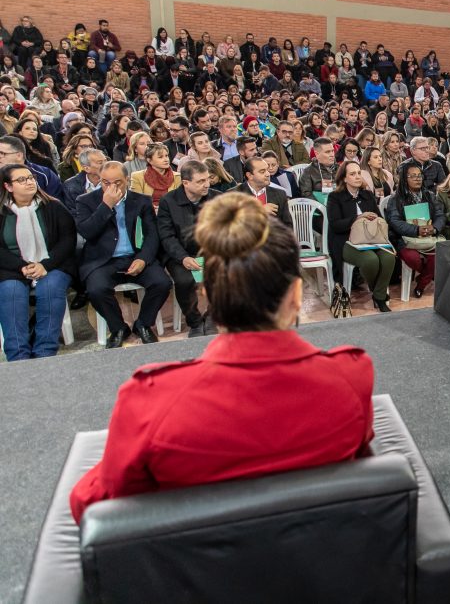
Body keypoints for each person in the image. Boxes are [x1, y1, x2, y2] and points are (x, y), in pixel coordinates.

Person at [69, 191, 375, 523]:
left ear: (206, 294)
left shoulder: (150, 400)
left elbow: (93, 504)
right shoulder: (351, 376)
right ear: (296, 295)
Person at [76, 161, 172, 348]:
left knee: (161, 283)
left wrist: (143, 258)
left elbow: (152, 235)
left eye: (117, 182)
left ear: (127, 180)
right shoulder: (85, 201)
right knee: (96, 290)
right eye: (105, 182)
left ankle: (143, 323)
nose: (111, 187)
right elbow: (87, 232)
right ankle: (118, 327)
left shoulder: (142, 200)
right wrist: (106, 206)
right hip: (103, 260)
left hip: (135, 256)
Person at [0, 163, 76, 360]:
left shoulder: (54, 206)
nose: (29, 182)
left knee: (50, 289)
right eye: (21, 180)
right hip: (12, 268)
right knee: (11, 292)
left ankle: (44, 351)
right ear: (8, 186)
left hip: (53, 265)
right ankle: (18, 356)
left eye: (31, 178)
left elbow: (68, 240)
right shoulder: (1, 212)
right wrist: (21, 266)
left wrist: (45, 265)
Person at [157, 160, 216, 338]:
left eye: (207, 179)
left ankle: (213, 316)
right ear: (185, 183)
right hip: (180, 254)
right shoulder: (169, 201)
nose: (207, 184)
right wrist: (183, 258)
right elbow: (167, 236)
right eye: (200, 181)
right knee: (184, 281)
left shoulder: (216, 198)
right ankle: (195, 322)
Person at [327, 160, 395, 312]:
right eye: (352, 174)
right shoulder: (335, 197)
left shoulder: (367, 195)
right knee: (370, 260)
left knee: (389, 257)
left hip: (371, 238)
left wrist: (375, 219)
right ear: (344, 178)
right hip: (346, 241)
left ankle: (378, 294)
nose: (358, 176)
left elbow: (379, 217)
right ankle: (379, 293)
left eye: (359, 173)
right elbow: (335, 224)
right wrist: (357, 218)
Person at [384, 162, 446, 298]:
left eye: (419, 176)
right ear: (404, 179)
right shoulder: (396, 198)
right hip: (405, 238)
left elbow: (440, 215)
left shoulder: (429, 195)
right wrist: (416, 230)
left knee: (439, 255)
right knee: (413, 258)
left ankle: (421, 284)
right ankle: (427, 277)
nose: (418, 179)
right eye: (413, 176)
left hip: (429, 236)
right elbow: (394, 221)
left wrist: (434, 228)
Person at [232, 156, 292, 226]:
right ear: (249, 175)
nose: (268, 174)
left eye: (267, 170)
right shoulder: (233, 195)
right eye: (262, 171)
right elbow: (230, 224)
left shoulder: (280, 194)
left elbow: (288, 226)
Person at [129, 142, 181, 211]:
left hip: (170, 213)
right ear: (149, 160)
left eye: (166, 156)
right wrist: (151, 209)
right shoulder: (137, 177)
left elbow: (180, 202)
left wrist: (163, 209)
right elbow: (136, 201)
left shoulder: (177, 177)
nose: (166, 160)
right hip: (147, 214)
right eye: (160, 157)